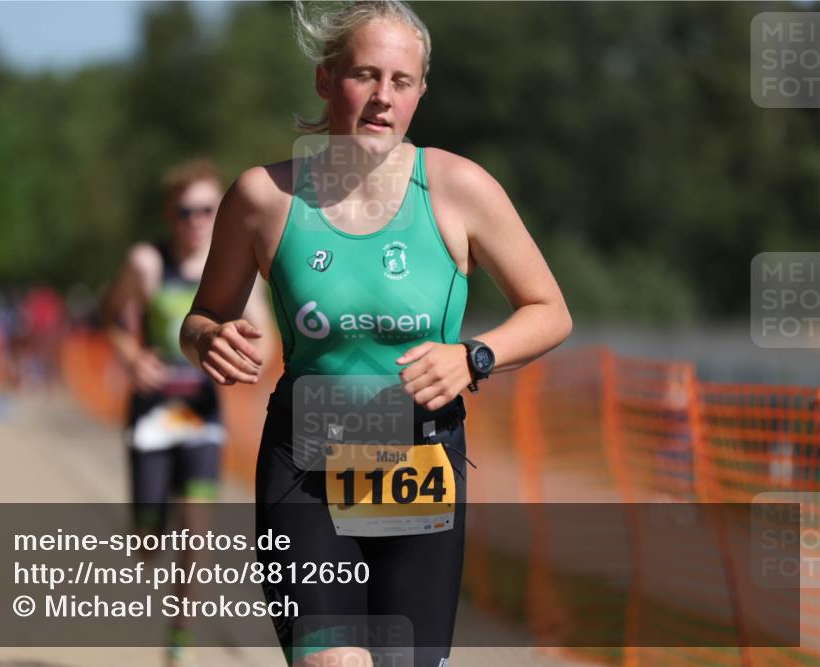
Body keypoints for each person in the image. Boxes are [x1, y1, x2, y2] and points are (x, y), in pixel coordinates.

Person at [179, 2, 572, 666]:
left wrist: (473, 356)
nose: (384, 98)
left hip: (419, 461)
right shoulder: (262, 198)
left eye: (403, 81)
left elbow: (550, 309)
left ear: (420, 91)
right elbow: (199, 320)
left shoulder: (458, 189)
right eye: (366, 74)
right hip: (304, 465)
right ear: (326, 80)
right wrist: (209, 338)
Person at [101, 158, 273, 666]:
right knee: (149, 540)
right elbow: (110, 314)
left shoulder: (238, 270)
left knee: (197, 535)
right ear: (169, 215)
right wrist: (133, 357)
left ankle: (180, 635)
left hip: (201, 414)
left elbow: (263, 335)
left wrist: (245, 349)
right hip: (153, 413)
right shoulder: (145, 263)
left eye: (208, 210)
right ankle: (152, 528)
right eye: (186, 211)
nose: (198, 220)